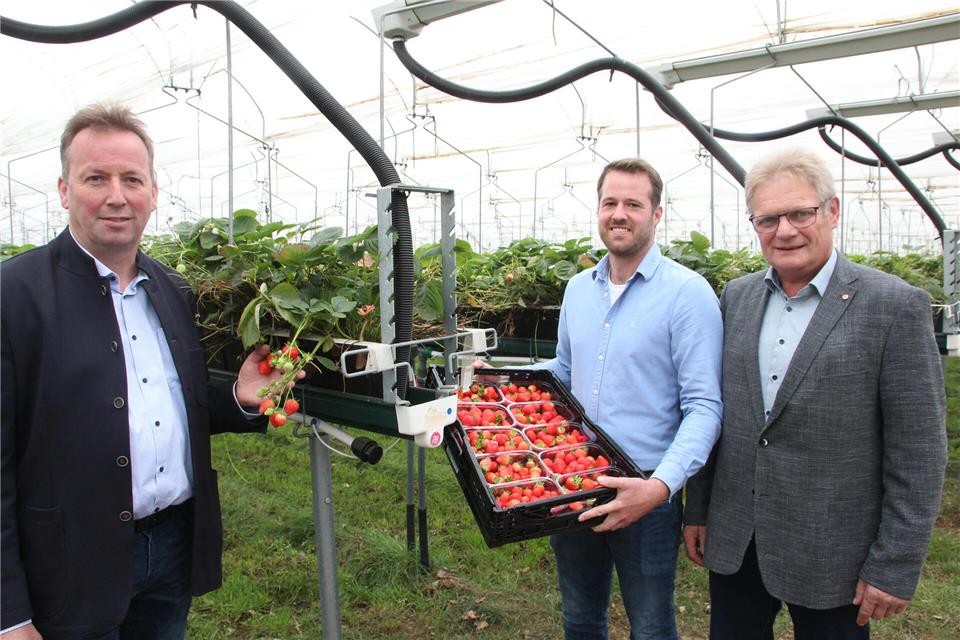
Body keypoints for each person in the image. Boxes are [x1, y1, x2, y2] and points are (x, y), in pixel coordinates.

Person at [1, 103, 295, 640]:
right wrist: (9, 613)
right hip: (68, 564)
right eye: (96, 178)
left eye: (131, 179)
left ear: (153, 193)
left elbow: (166, 402)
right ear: (65, 190)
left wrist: (238, 397)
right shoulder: (14, 296)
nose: (117, 195)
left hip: (171, 550)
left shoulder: (172, 289)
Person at [682, 147, 947, 639]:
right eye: (768, 219)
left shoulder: (892, 307)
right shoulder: (737, 298)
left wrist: (894, 562)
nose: (785, 230)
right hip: (740, 535)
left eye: (800, 213)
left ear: (832, 211)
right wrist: (698, 508)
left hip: (834, 551)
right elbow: (721, 413)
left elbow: (919, 452)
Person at [484, 158, 723, 639]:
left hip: (644, 490)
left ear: (656, 215)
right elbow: (565, 371)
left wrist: (660, 488)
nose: (620, 214)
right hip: (572, 480)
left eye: (633, 204)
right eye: (610, 203)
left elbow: (705, 407)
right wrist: (500, 376)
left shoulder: (687, 294)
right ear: (598, 211)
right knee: (580, 616)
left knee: (651, 625)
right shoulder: (579, 289)